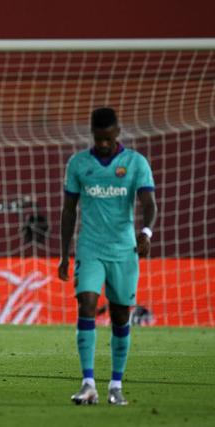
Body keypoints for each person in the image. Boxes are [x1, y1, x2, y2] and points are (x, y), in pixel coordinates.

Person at [58, 107, 157, 406]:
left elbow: (148, 201)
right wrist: (64, 255)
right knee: (87, 304)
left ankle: (115, 384)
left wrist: (147, 232)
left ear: (117, 132)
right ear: (93, 134)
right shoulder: (78, 163)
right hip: (90, 248)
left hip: (123, 250)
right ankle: (88, 383)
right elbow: (68, 210)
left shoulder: (135, 163)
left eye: (107, 138)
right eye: (97, 138)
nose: (102, 143)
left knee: (120, 315)